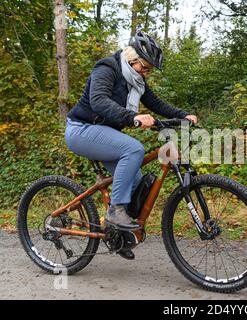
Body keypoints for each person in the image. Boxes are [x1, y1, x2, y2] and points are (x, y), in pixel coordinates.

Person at [65, 31, 197, 258]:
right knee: (133, 149)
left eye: (149, 70)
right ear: (131, 58)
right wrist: (132, 117)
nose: (146, 73)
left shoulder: (136, 81)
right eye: (144, 68)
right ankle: (116, 213)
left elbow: (154, 102)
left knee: (136, 181)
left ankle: (117, 236)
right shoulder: (107, 68)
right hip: (82, 130)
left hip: (105, 133)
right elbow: (98, 101)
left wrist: (182, 115)